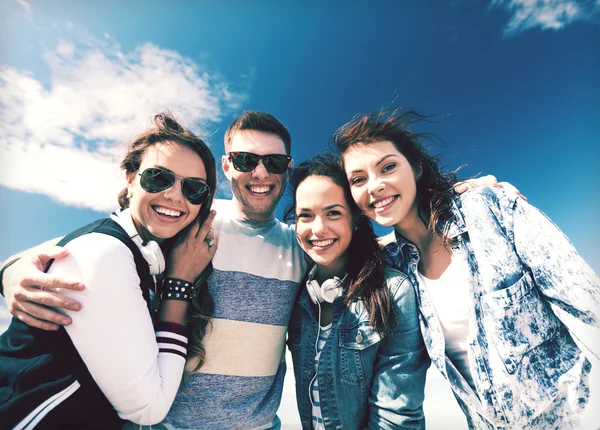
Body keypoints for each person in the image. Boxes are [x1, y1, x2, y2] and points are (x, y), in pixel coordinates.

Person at [0, 110, 515, 429]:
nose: (260, 173)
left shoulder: (302, 245)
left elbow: (375, 238)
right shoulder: (187, 221)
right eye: (245, 161)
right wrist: (11, 269)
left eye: (274, 163)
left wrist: (446, 200)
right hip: (163, 425)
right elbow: (91, 244)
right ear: (226, 167)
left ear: (288, 170)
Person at [333, 109, 600, 429]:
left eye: (388, 167)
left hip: (574, 417)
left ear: (416, 168)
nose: (375, 186)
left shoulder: (490, 209)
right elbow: (313, 246)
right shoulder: (390, 264)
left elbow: (588, 306)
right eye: (358, 180)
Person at [0, 113, 218, 429]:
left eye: (194, 189)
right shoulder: (107, 252)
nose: (174, 195)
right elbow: (148, 409)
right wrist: (179, 284)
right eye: (159, 177)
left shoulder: (137, 249)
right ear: (130, 177)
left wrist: (8, 268)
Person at [284, 155, 429, 429]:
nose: (318, 229)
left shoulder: (393, 291)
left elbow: (396, 417)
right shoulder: (295, 292)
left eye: (333, 213)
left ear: (355, 219)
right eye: (306, 215)